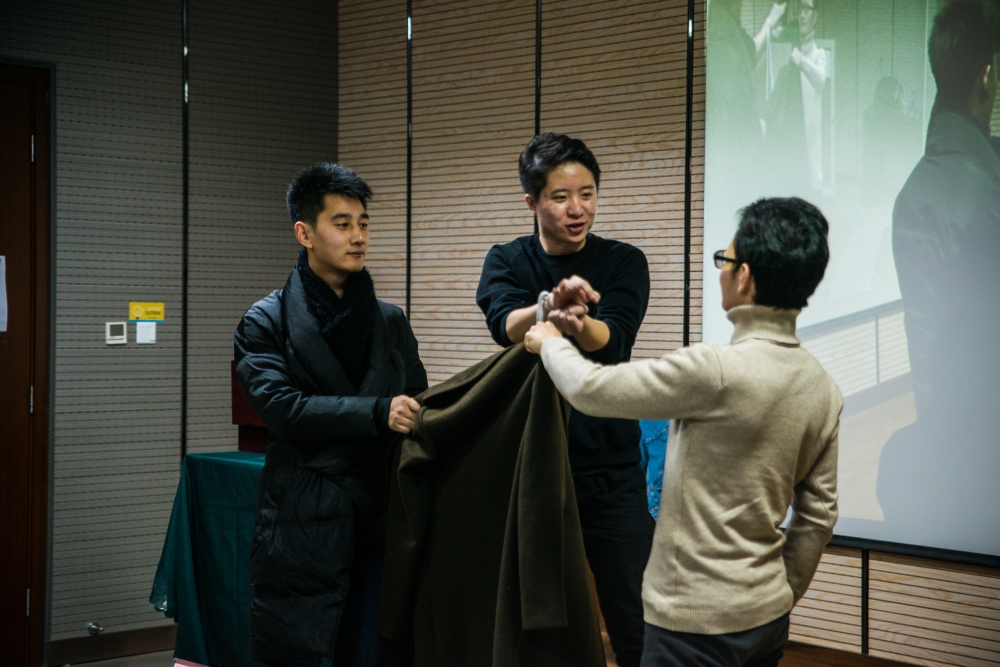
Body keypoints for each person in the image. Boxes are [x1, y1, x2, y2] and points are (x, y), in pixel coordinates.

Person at [525, 197, 841, 667]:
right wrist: (777, 596)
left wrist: (551, 342)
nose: (721, 271)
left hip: (692, 627)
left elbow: (591, 390)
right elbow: (818, 516)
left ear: (744, 276)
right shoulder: (822, 385)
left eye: (725, 260)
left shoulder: (714, 369)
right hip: (768, 618)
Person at [234, 163, 428, 667]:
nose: (358, 237)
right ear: (304, 233)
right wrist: (378, 412)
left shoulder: (390, 320)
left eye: (363, 223)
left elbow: (417, 399)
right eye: (342, 224)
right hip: (303, 513)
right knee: (304, 651)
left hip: (381, 509)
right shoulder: (265, 320)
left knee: (376, 650)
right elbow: (283, 411)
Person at [475, 133, 653, 667]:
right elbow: (505, 327)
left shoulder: (623, 260)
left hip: (610, 465)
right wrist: (547, 306)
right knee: (541, 621)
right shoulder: (506, 259)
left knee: (637, 615)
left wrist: (577, 321)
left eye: (588, 193)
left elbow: (613, 340)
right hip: (534, 467)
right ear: (532, 202)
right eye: (560, 197)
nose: (578, 209)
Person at [877, 0, 1000, 555]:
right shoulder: (985, 192)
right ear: (986, 75)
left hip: (937, 418)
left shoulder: (914, 188)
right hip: (983, 434)